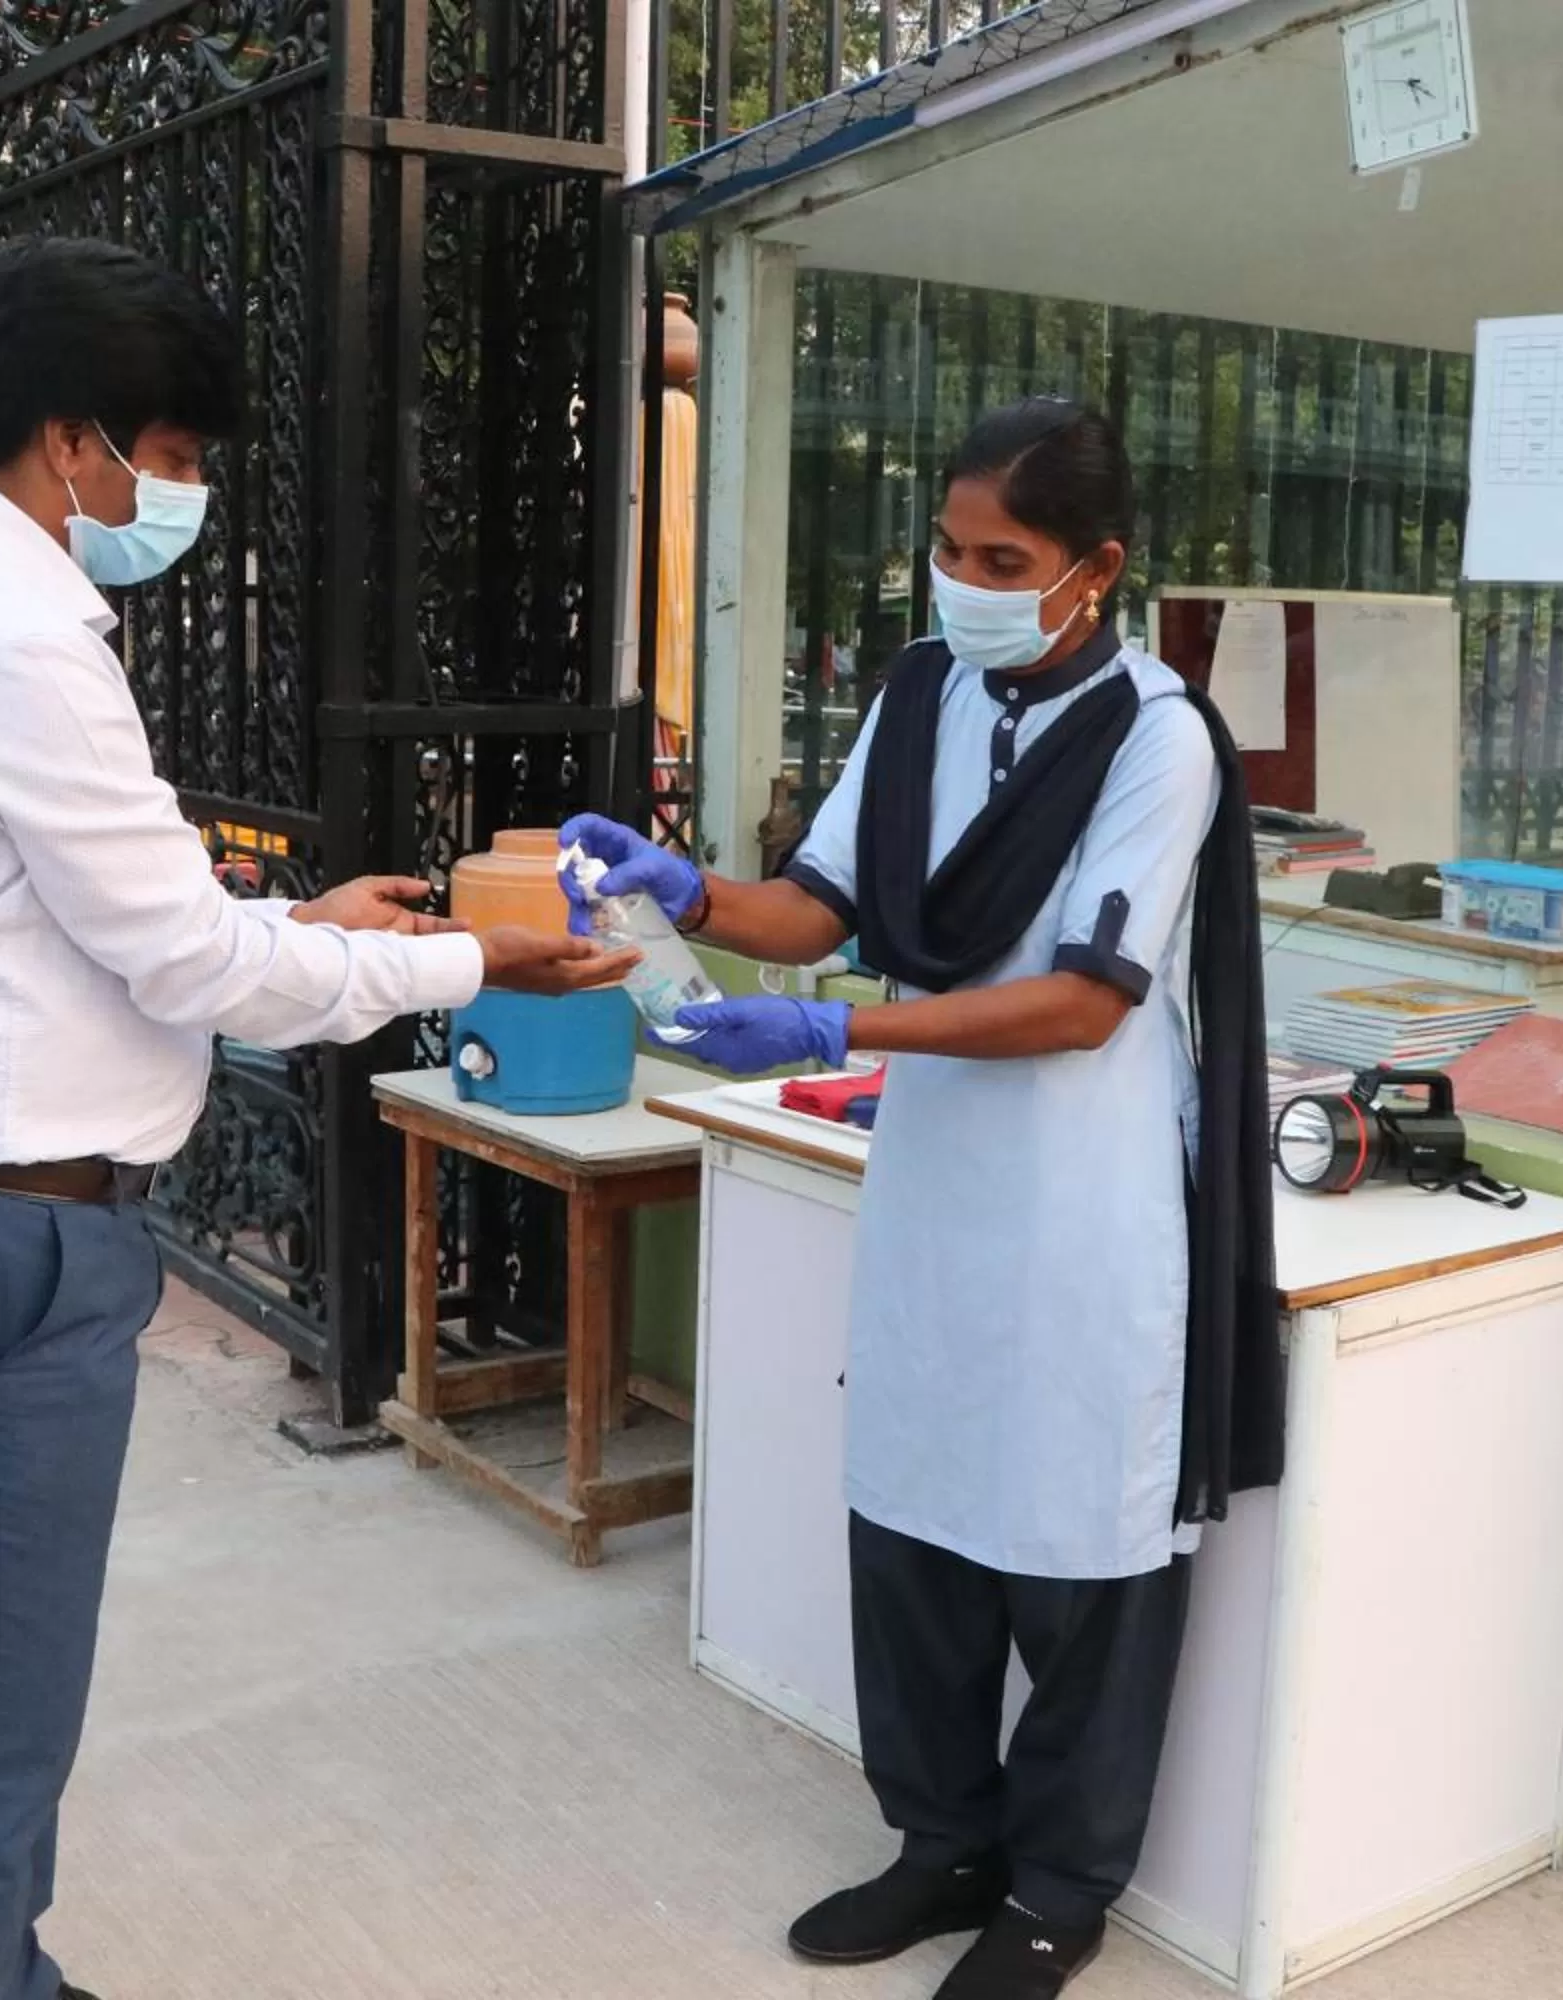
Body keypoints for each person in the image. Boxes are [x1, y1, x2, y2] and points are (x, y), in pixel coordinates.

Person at [0, 236, 631, 2000]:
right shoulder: (17, 638)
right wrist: (468, 964)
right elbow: (193, 969)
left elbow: (102, 920)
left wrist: (314, 928)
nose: (179, 497)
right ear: (71, 440)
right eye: (172, 462)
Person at [560, 398, 1279, 2000]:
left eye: (1001, 558)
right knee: (919, 1520)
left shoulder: (1162, 737)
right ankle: (941, 1839)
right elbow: (817, 904)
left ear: (1095, 568)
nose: (963, 581)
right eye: (948, 549)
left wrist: (832, 1029)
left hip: (1087, 1197)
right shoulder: (923, 695)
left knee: (1080, 1552)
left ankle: (1057, 1890)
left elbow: (1088, 998)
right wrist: (677, 884)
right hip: (943, 1177)